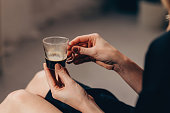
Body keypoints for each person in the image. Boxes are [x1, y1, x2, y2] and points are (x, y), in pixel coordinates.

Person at [0, 0, 170, 112]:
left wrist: (83, 102)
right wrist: (120, 62)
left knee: (18, 100)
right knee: (42, 79)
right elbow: (161, 100)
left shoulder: (164, 47)